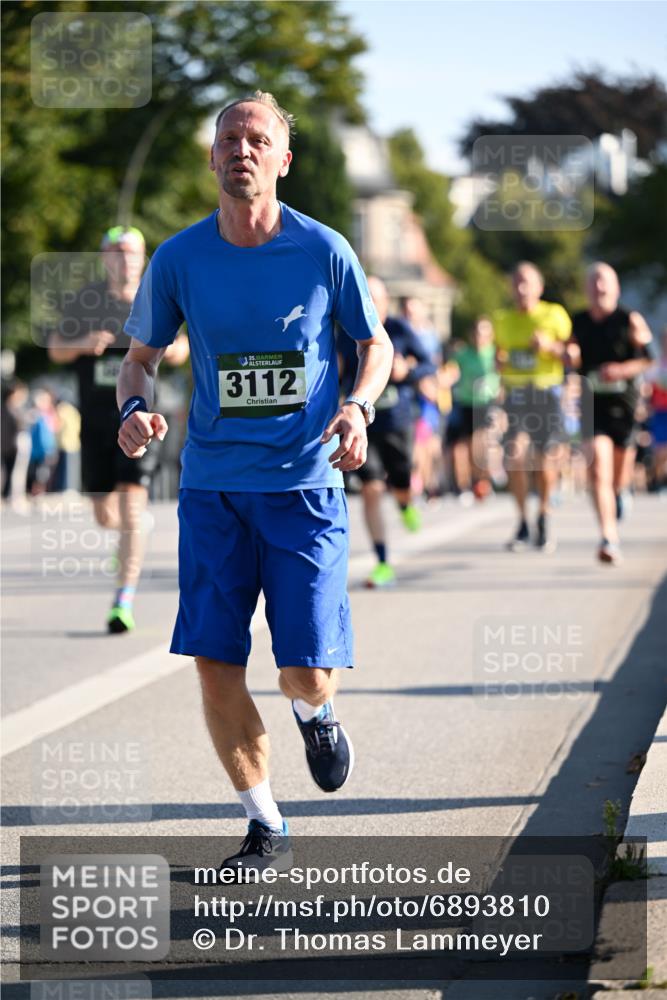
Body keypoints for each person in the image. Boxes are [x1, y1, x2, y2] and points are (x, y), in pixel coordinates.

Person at [117, 91, 393, 871]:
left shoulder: (321, 249)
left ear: (282, 160)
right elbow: (138, 359)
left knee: (301, 666)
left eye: (256, 138)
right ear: (212, 157)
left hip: (305, 485)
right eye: (228, 137)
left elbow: (372, 345)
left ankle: (315, 710)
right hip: (212, 489)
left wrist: (357, 407)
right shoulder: (179, 258)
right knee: (214, 660)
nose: (241, 148)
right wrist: (133, 407)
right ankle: (265, 822)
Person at [48, 226, 189, 633]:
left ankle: (123, 599)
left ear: (141, 259)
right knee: (105, 515)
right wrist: (81, 344)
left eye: (130, 253)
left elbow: (181, 348)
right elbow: (56, 348)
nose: (123, 260)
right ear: (104, 257)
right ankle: (132, 532)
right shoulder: (85, 300)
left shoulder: (154, 296)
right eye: (115, 252)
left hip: (141, 419)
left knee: (130, 506)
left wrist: (157, 348)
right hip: (95, 424)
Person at [339, 277, 434, 588]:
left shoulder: (398, 328)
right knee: (371, 488)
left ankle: (406, 504)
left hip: (398, 419)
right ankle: (382, 562)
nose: (370, 305)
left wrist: (407, 372)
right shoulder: (345, 330)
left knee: (401, 480)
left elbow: (429, 364)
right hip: (363, 424)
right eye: (366, 298)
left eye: (376, 299)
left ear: (386, 303)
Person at [570, 263, 652, 564]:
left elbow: (647, 360)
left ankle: (620, 494)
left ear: (615, 288)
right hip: (593, 406)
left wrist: (621, 369)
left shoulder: (629, 320)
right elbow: (570, 352)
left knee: (617, 477)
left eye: (604, 282)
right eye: (593, 282)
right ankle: (609, 537)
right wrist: (569, 355)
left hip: (625, 407)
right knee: (596, 470)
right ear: (586, 289)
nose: (598, 288)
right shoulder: (577, 321)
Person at [494, 262, 573, 552]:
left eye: (527, 283)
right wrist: (499, 363)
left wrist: (551, 347)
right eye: (516, 282)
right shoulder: (502, 319)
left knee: (545, 461)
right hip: (516, 395)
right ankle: (523, 522)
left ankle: (543, 514)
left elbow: (572, 355)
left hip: (546, 394)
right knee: (514, 455)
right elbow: (498, 357)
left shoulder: (554, 314)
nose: (522, 288)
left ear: (539, 287)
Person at [445, 317, 500, 502]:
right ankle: (472, 483)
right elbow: (450, 371)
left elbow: (505, 375)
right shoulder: (463, 354)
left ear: (490, 335)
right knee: (467, 446)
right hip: (467, 403)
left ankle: (485, 478)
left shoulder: (496, 354)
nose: (480, 338)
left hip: (488, 403)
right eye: (476, 334)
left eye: (484, 334)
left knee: (482, 441)